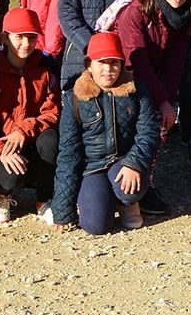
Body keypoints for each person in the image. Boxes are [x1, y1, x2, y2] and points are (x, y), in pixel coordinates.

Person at [51, 31, 160, 235]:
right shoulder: (74, 97)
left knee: (129, 192)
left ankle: (127, 202)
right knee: (94, 226)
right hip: (92, 167)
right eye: (102, 62)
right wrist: (62, 210)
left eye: (115, 62)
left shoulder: (137, 89)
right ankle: (105, 199)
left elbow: (148, 132)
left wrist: (134, 164)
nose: (109, 69)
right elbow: (69, 152)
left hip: (125, 160)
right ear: (89, 65)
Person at [0, 8, 61, 225]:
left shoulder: (45, 74)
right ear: (5, 38)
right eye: (19, 37)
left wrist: (23, 130)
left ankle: (44, 199)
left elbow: (53, 113)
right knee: (10, 174)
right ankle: (1, 196)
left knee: (51, 140)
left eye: (31, 37)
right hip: (0, 144)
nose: (25, 44)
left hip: (32, 140)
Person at [113, 0, 191, 144]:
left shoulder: (182, 17)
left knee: (154, 136)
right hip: (122, 80)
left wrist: (166, 102)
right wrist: (161, 101)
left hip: (152, 80)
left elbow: (174, 65)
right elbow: (136, 61)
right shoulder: (136, 11)